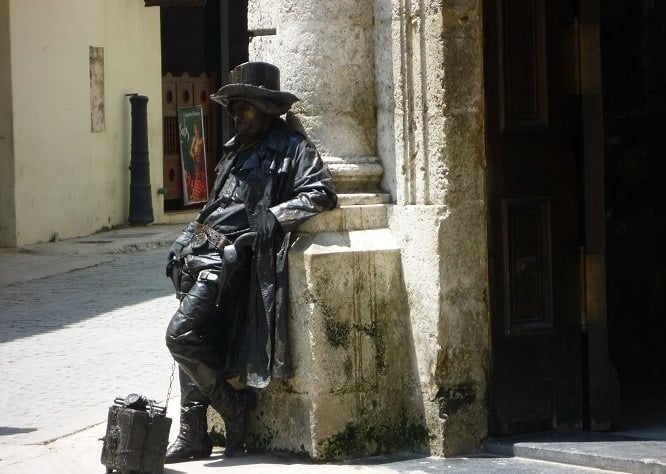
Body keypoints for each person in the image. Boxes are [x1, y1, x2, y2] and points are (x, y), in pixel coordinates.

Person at [164, 61, 337, 463]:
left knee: (180, 336)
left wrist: (272, 218)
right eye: (234, 109)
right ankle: (193, 435)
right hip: (201, 255)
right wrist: (183, 240)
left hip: (234, 261)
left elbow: (320, 193)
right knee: (197, 339)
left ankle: (234, 408)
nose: (236, 116)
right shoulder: (235, 151)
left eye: (243, 108)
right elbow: (210, 209)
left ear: (266, 108)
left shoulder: (291, 148)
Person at [187, 123, 208, 203]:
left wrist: (201, 159)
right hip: (196, 160)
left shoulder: (202, 139)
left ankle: (202, 194)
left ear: (199, 130)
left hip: (201, 161)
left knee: (202, 177)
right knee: (197, 177)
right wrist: (194, 157)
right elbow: (190, 151)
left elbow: (203, 152)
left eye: (196, 129)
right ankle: (196, 195)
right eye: (194, 130)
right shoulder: (194, 139)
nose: (195, 131)